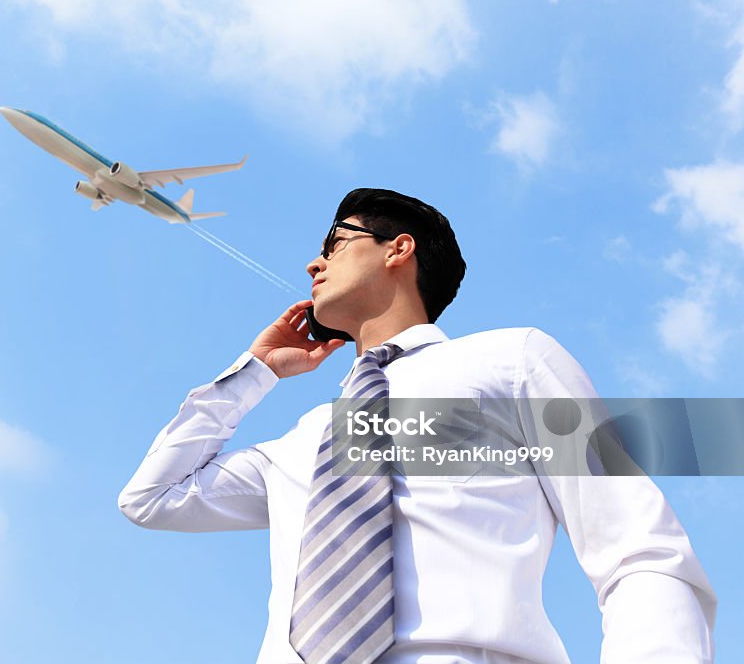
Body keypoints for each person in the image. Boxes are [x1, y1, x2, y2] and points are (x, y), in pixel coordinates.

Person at [118, 188, 716, 663]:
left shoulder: (511, 363)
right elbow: (153, 498)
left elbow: (637, 549)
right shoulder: (308, 442)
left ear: (397, 249)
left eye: (335, 241)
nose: (312, 262)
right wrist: (256, 373)